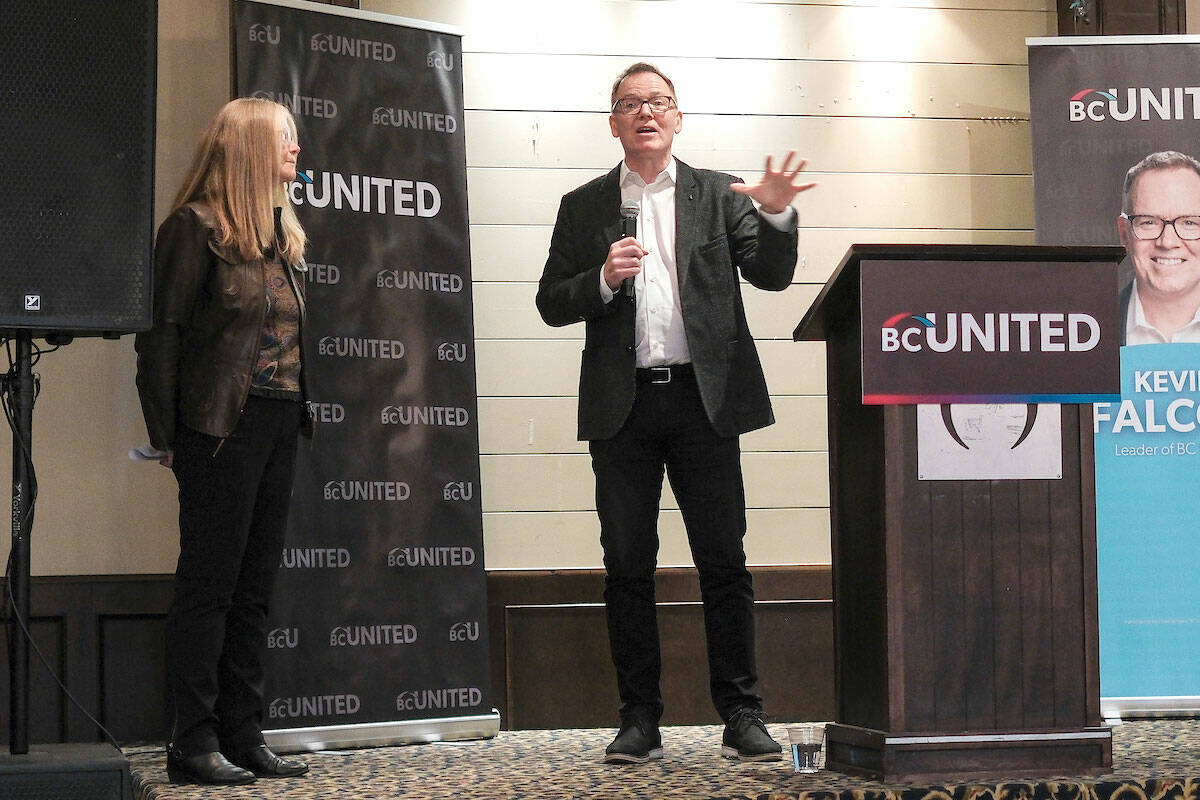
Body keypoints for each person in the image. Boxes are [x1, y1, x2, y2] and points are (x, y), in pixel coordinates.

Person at [535, 62, 815, 764]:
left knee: (724, 561)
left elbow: (772, 275)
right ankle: (639, 717)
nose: (645, 113)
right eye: (630, 104)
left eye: (658, 101)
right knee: (627, 564)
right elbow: (549, 302)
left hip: (703, 402)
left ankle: (742, 712)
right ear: (613, 123)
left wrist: (777, 212)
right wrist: (599, 280)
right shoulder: (584, 204)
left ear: (678, 117)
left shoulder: (720, 194)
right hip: (622, 406)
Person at [135, 97, 312, 785]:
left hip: (277, 422)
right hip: (216, 427)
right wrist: (167, 436)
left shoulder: (279, 235)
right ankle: (193, 741)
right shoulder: (193, 228)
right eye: (286, 139)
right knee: (209, 586)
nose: (297, 150)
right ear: (247, 148)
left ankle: (244, 734)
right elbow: (162, 340)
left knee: (254, 589)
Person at [1117, 150, 1200, 345]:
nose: (1167, 242)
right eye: (1149, 222)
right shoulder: (1088, 334)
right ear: (1124, 234)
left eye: (1189, 223)